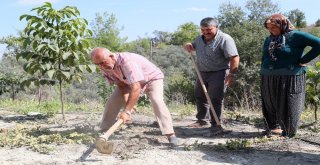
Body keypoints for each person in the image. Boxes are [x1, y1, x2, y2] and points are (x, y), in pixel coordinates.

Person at [90, 47, 179, 145]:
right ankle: (104, 130)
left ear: (111, 56)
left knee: (156, 100)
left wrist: (126, 112)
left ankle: (170, 134)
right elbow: (122, 86)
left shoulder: (127, 62)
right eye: (97, 64)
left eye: (102, 62)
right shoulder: (106, 67)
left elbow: (136, 88)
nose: (100, 66)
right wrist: (128, 105)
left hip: (152, 79)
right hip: (128, 82)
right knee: (112, 101)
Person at [261, 14, 320, 138]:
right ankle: (273, 128)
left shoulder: (297, 36)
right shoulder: (270, 39)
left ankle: (288, 131)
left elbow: (318, 44)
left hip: (290, 76)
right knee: (270, 102)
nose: (271, 30)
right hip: (268, 75)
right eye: (268, 28)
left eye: (273, 27)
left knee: (289, 103)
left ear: (282, 25)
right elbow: (265, 56)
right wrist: (263, 69)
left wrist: (304, 59)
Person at [184, 17, 240, 132]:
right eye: (203, 30)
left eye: (208, 30)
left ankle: (216, 124)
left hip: (219, 72)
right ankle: (202, 120)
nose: (205, 32)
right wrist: (189, 45)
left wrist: (231, 75)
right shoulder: (200, 39)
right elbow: (193, 46)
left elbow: (234, 57)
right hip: (202, 72)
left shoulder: (225, 39)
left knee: (215, 98)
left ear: (216, 27)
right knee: (200, 96)